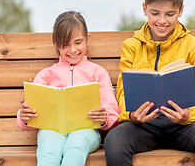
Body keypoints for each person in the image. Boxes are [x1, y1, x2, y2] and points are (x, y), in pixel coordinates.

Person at [104, 0, 195, 166]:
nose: (162, 21)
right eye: (155, 13)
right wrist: (133, 115)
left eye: (170, 14)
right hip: (143, 125)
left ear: (181, 10)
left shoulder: (194, 46)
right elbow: (123, 92)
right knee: (115, 141)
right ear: (144, 8)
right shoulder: (131, 46)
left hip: (183, 124)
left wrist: (188, 115)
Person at [17, 10, 121, 166]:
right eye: (66, 45)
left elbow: (113, 112)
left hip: (86, 131)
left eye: (78, 42)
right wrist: (24, 116)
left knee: (75, 146)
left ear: (87, 39)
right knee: (48, 150)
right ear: (56, 44)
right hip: (52, 130)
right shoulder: (46, 75)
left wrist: (105, 117)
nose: (73, 50)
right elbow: (30, 111)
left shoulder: (98, 73)